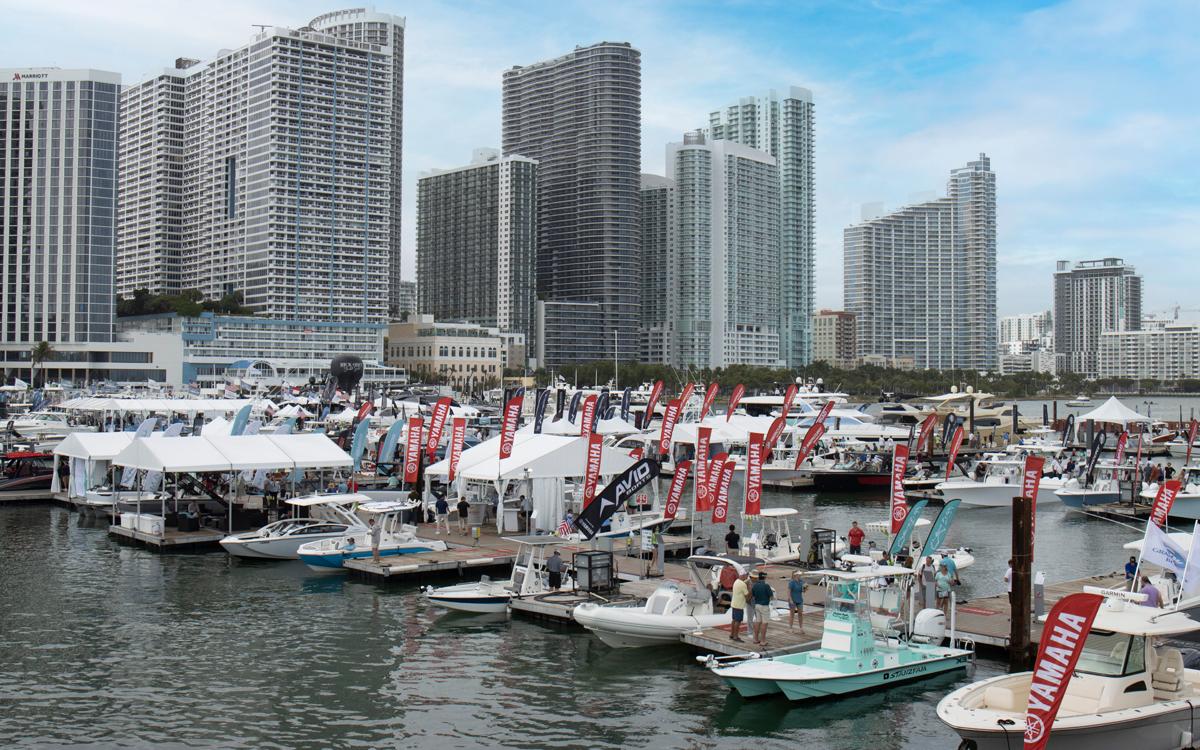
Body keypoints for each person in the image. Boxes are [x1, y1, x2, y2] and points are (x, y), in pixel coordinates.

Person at [751, 571, 774, 647]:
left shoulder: (755, 585)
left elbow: (753, 595)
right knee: (764, 623)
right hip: (764, 606)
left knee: (758, 622)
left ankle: (755, 639)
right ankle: (763, 640)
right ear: (764, 577)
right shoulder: (766, 585)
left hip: (757, 605)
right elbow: (771, 597)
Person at [729, 569, 750, 643]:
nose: (746, 577)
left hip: (734, 604)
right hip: (739, 605)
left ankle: (732, 634)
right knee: (738, 621)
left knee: (734, 620)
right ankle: (735, 636)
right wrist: (750, 589)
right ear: (743, 575)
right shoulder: (742, 584)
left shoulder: (736, 581)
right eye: (746, 575)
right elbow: (747, 596)